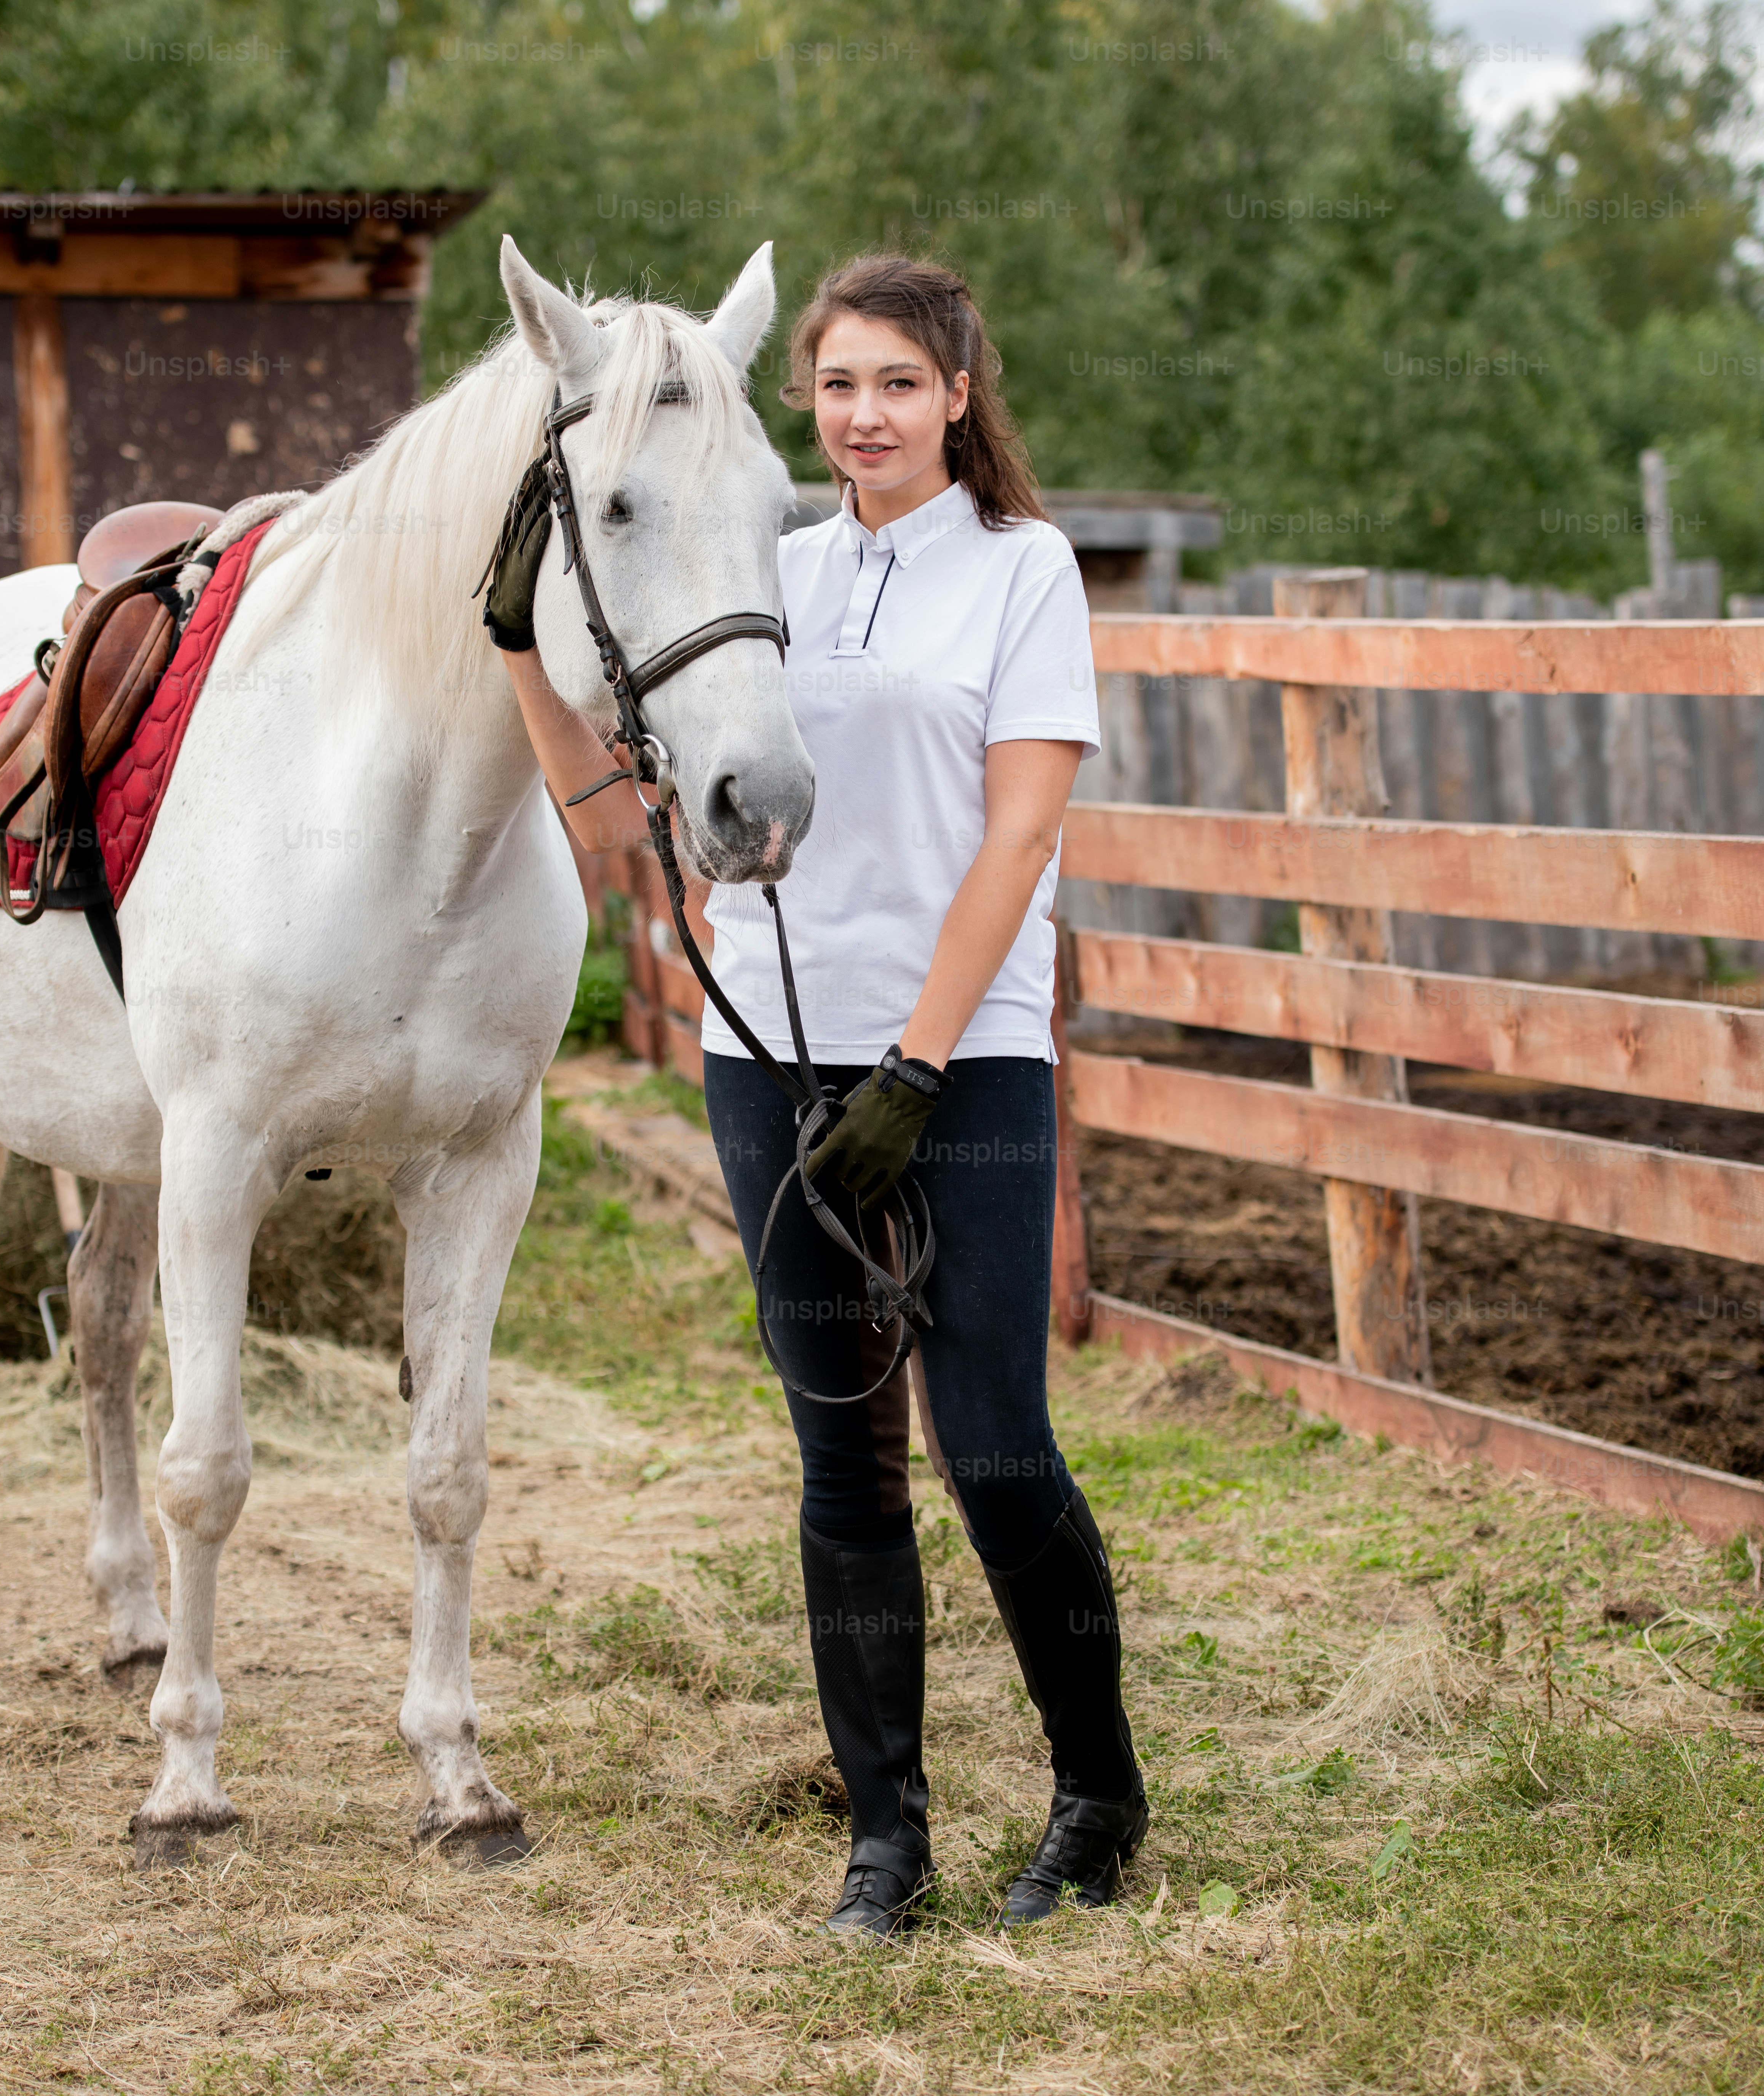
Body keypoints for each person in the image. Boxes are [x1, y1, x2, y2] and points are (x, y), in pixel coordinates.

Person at [491, 253, 1141, 1936]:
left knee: (992, 1440)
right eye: (840, 385)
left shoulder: (1024, 571)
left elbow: (1020, 835)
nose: (867, 414)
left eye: (901, 385)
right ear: (809, 401)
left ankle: (1097, 1792)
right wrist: (511, 633)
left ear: (959, 398)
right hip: (769, 1051)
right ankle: (886, 1832)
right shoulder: (761, 561)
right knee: (841, 1457)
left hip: (965, 1054)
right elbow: (590, 763)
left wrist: (922, 1063)